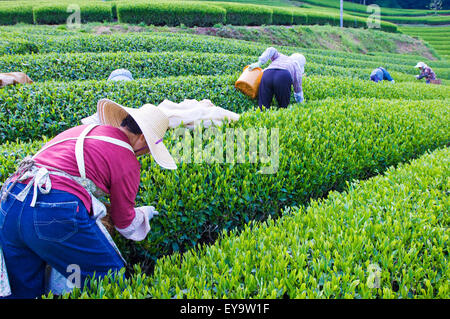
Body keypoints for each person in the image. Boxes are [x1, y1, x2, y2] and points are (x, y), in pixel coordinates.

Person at [0, 99, 177, 298]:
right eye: (149, 148)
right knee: (110, 279)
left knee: (24, 290)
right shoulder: (127, 158)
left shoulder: (83, 131)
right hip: (52, 209)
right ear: (144, 139)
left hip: (11, 198)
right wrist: (143, 214)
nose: (145, 154)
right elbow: (125, 224)